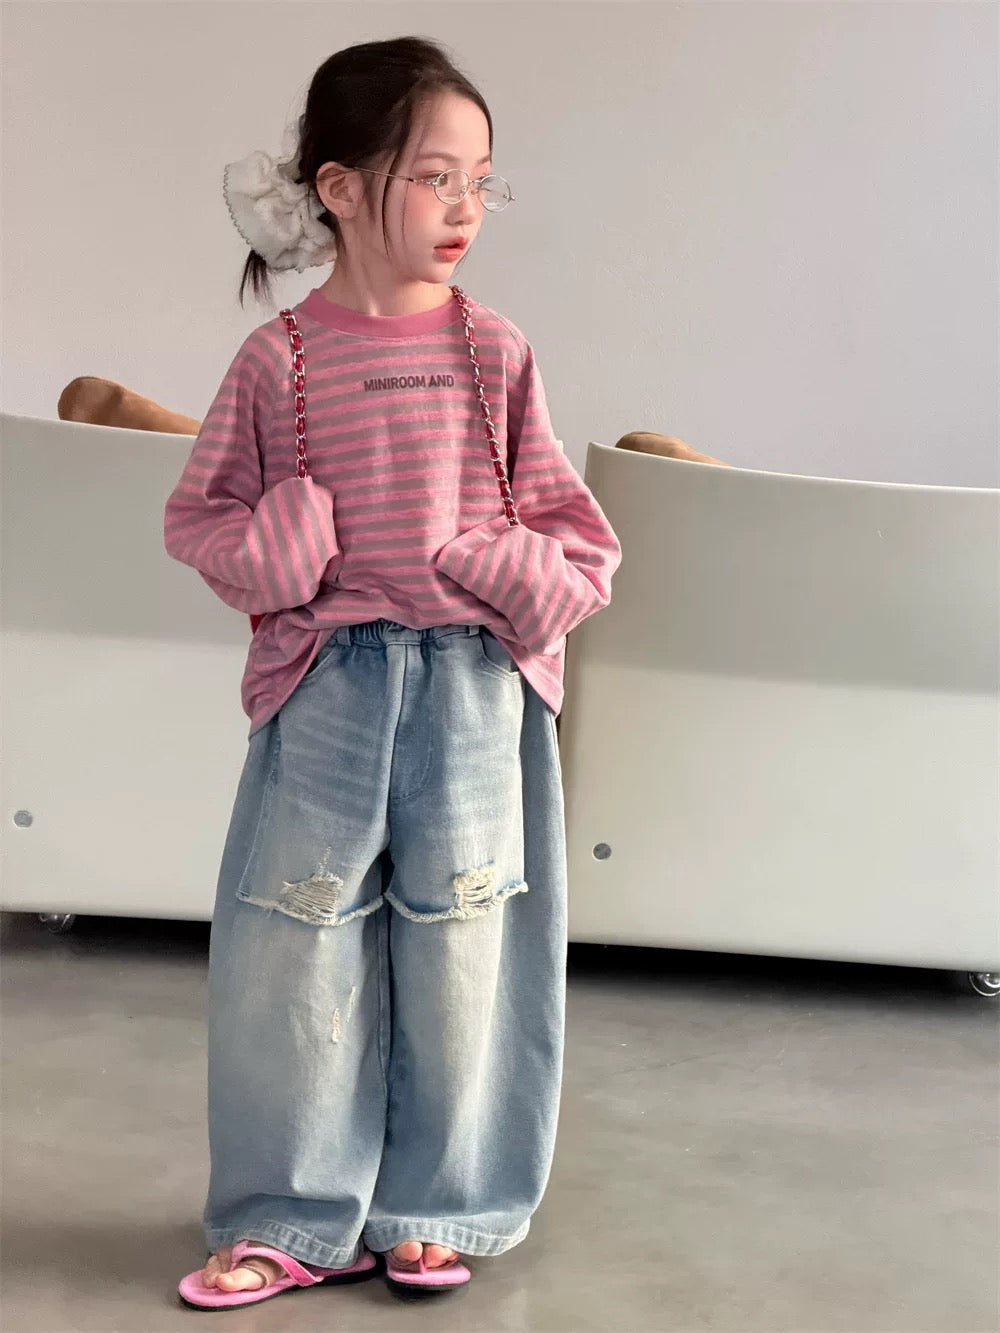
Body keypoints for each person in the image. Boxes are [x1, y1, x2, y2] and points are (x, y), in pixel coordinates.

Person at [165, 34, 622, 1311]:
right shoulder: (279, 363)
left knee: (467, 945)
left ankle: (437, 1205)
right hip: (329, 685)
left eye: (481, 180)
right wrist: (278, 551)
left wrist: (508, 570)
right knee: (290, 949)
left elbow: (581, 545)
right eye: (433, 177)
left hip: (474, 690)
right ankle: (288, 1214)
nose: (464, 207)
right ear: (340, 187)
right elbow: (200, 519)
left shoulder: (496, 354)